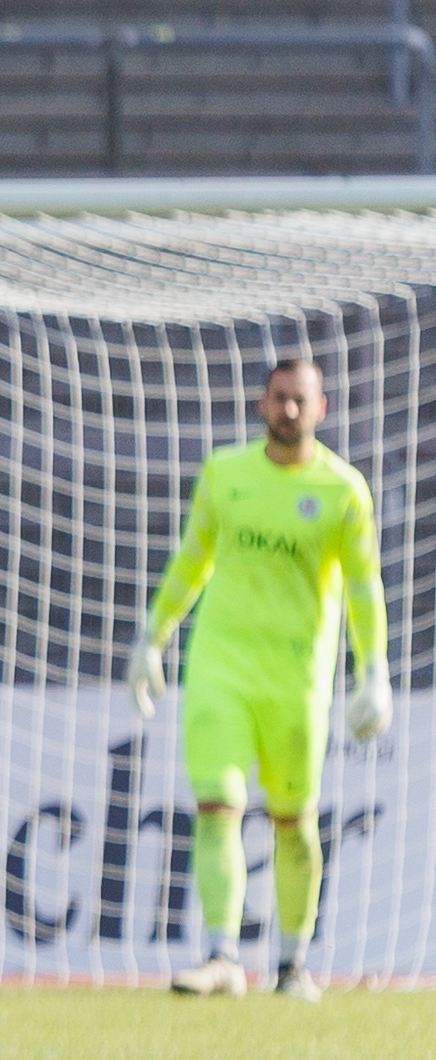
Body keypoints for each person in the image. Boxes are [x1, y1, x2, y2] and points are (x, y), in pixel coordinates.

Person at [127, 358, 391, 1000]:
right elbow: (192, 560)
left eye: (301, 399)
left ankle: (292, 965)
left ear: (321, 407)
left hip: (297, 679)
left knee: (293, 821)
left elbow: (363, 587)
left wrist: (373, 669)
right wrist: (152, 636)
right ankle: (222, 956)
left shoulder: (343, 489)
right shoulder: (225, 473)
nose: (289, 409)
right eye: (279, 397)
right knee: (216, 804)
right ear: (261, 403)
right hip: (220, 667)